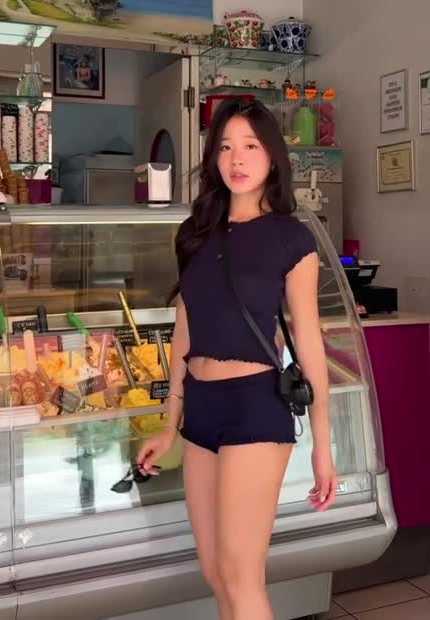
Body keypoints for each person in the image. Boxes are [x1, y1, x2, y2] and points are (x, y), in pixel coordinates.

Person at [137, 98, 337, 620]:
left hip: (255, 406)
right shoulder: (195, 232)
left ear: (272, 156)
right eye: (225, 147)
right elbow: (186, 329)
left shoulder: (292, 238)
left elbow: (308, 342)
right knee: (216, 573)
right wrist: (170, 423)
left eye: (250, 145)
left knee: (241, 575)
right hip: (201, 407)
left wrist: (323, 447)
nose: (237, 158)